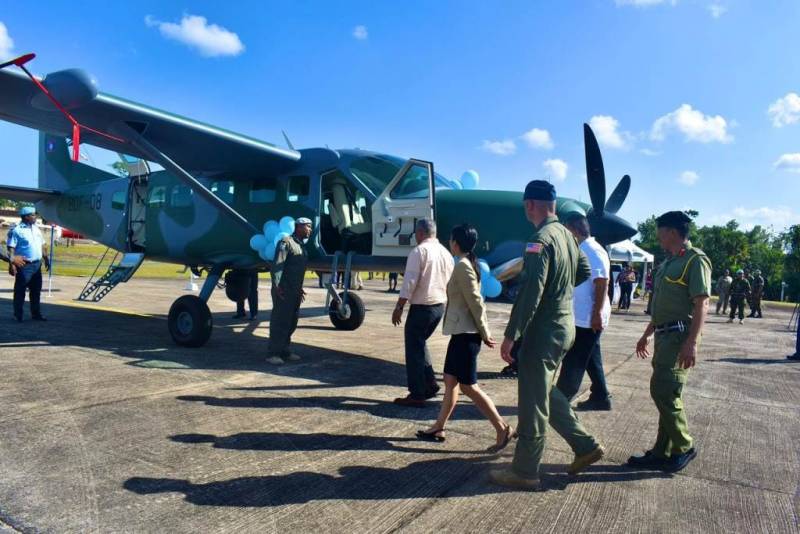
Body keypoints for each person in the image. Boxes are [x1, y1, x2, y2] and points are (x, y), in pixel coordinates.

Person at [489, 180, 604, 490]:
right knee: (545, 392)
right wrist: (560, 288)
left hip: (543, 330)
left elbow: (530, 291)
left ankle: (525, 470)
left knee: (532, 402)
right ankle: (585, 446)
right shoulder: (568, 235)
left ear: (530, 205)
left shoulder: (540, 240)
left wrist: (512, 334)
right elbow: (582, 271)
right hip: (565, 326)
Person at [417, 224, 515, 451]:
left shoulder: (462, 266)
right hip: (460, 334)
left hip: (467, 336)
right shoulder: (467, 263)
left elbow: (475, 301)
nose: (449, 242)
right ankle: (439, 426)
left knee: (469, 386)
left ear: (455, 242)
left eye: (451, 239)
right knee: (450, 381)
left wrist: (485, 331)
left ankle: (502, 428)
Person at [630, 211, 711, 473]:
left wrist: (692, 342)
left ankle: (684, 446)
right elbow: (662, 307)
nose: (658, 238)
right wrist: (647, 333)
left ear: (673, 233)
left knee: (664, 391)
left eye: (660, 232)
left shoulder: (694, 261)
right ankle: (662, 451)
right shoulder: (668, 263)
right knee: (666, 392)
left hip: (679, 337)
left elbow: (702, 303)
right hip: (663, 336)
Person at [391, 219, 454, 407]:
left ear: (419, 233)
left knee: (413, 349)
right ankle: (430, 382)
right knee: (420, 344)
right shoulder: (446, 253)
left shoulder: (419, 251)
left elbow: (409, 282)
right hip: (439, 305)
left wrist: (399, 306)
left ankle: (417, 394)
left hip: (422, 307)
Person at [555, 214, 613, 411]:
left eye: (566, 230)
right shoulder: (582, 248)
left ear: (574, 229)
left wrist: (596, 314)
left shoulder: (592, 250)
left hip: (588, 319)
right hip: (582, 317)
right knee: (592, 360)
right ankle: (601, 397)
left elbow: (602, 282)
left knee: (574, 362)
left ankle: (559, 402)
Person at [266, 217, 313, 365]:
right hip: (283, 290)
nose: (310, 230)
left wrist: (299, 289)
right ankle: (273, 353)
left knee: (291, 322)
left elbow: (296, 271)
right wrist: (277, 286)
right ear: (299, 227)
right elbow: (277, 266)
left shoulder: (301, 247)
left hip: (294, 290)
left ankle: (284, 350)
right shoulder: (286, 243)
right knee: (280, 321)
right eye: (308, 227)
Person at [7, 206, 50, 322]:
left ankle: (36, 314)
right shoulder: (16, 230)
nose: (35, 217)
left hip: (37, 265)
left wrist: (46, 258)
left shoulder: (36, 228)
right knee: (20, 291)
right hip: (24, 266)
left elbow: (42, 244)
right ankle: (18, 314)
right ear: (26, 217)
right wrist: (11, 264)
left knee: (36, 291)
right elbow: (11, 248)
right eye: (33, 215)